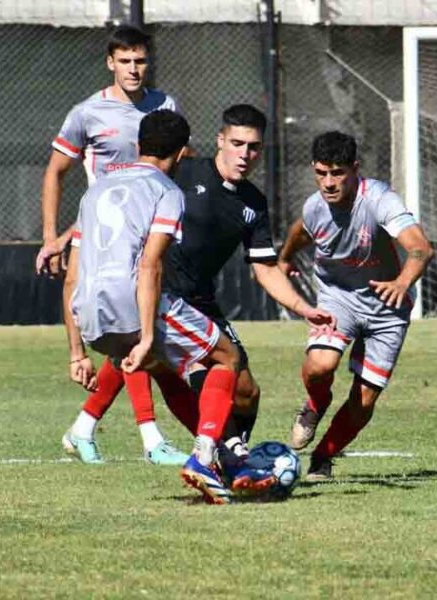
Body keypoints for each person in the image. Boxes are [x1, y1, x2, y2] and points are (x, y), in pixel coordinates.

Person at [69, 104, 336, 466]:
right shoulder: (179, 173)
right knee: (179, 366)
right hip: (159, 294)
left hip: (199, 300)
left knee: (246, 393)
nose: (245, 154)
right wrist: (66, 238)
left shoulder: (253, 203)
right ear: (220, 140)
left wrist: (304, 308)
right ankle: (220, 455)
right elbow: (124, 207)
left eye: (254, 147)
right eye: (237, 144)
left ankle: (226, 450)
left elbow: (265, 268)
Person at [63, 110, 243, 505]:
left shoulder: (95, 191)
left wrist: (77, 353)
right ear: (181, 153)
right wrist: (146, 337)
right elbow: (150, 266)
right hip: (132, 301)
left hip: (89, 316)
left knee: (164, 368)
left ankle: (221, 457)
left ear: (138, 145)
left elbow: (71, 278)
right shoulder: (167, 191)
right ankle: (206, 456)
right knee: (227, 357)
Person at [37, 25, 185, 465]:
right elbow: (56, 171)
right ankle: (151, 439)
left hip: (150, 227)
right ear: (110, 63)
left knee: (133, 335)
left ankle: (83, 428)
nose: (133, 69)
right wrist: (52, 236)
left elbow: (174, 164)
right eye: (125, 61)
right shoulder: (88, 113)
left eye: (140, 60)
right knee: (134, 330)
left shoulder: (165, 106)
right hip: (107, 237)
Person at [279, 131, 434, 482]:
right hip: (339, 297)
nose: (329, 183)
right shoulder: (315, 206)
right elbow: (301, 231)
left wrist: (401, 283)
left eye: (338, 173)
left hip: (387, 307)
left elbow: (421, 248)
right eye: (321, 173)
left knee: (363, 400)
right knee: (320, 366)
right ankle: (316, 404)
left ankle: (323, 458)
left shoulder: (379, 199)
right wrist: (285, 258)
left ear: (355, 169)